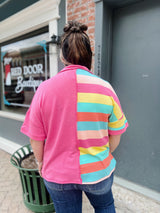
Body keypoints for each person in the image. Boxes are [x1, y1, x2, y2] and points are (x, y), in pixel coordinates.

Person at [21, 21, 128, 213]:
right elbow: (116, 134)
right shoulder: (106, 88)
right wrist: (103, 155)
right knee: (105, 207)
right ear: (90, 55)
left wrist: (40, 162)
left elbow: (35, 137)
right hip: (98, 171)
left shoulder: (44, 90)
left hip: (57, 173)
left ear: (62, 55)